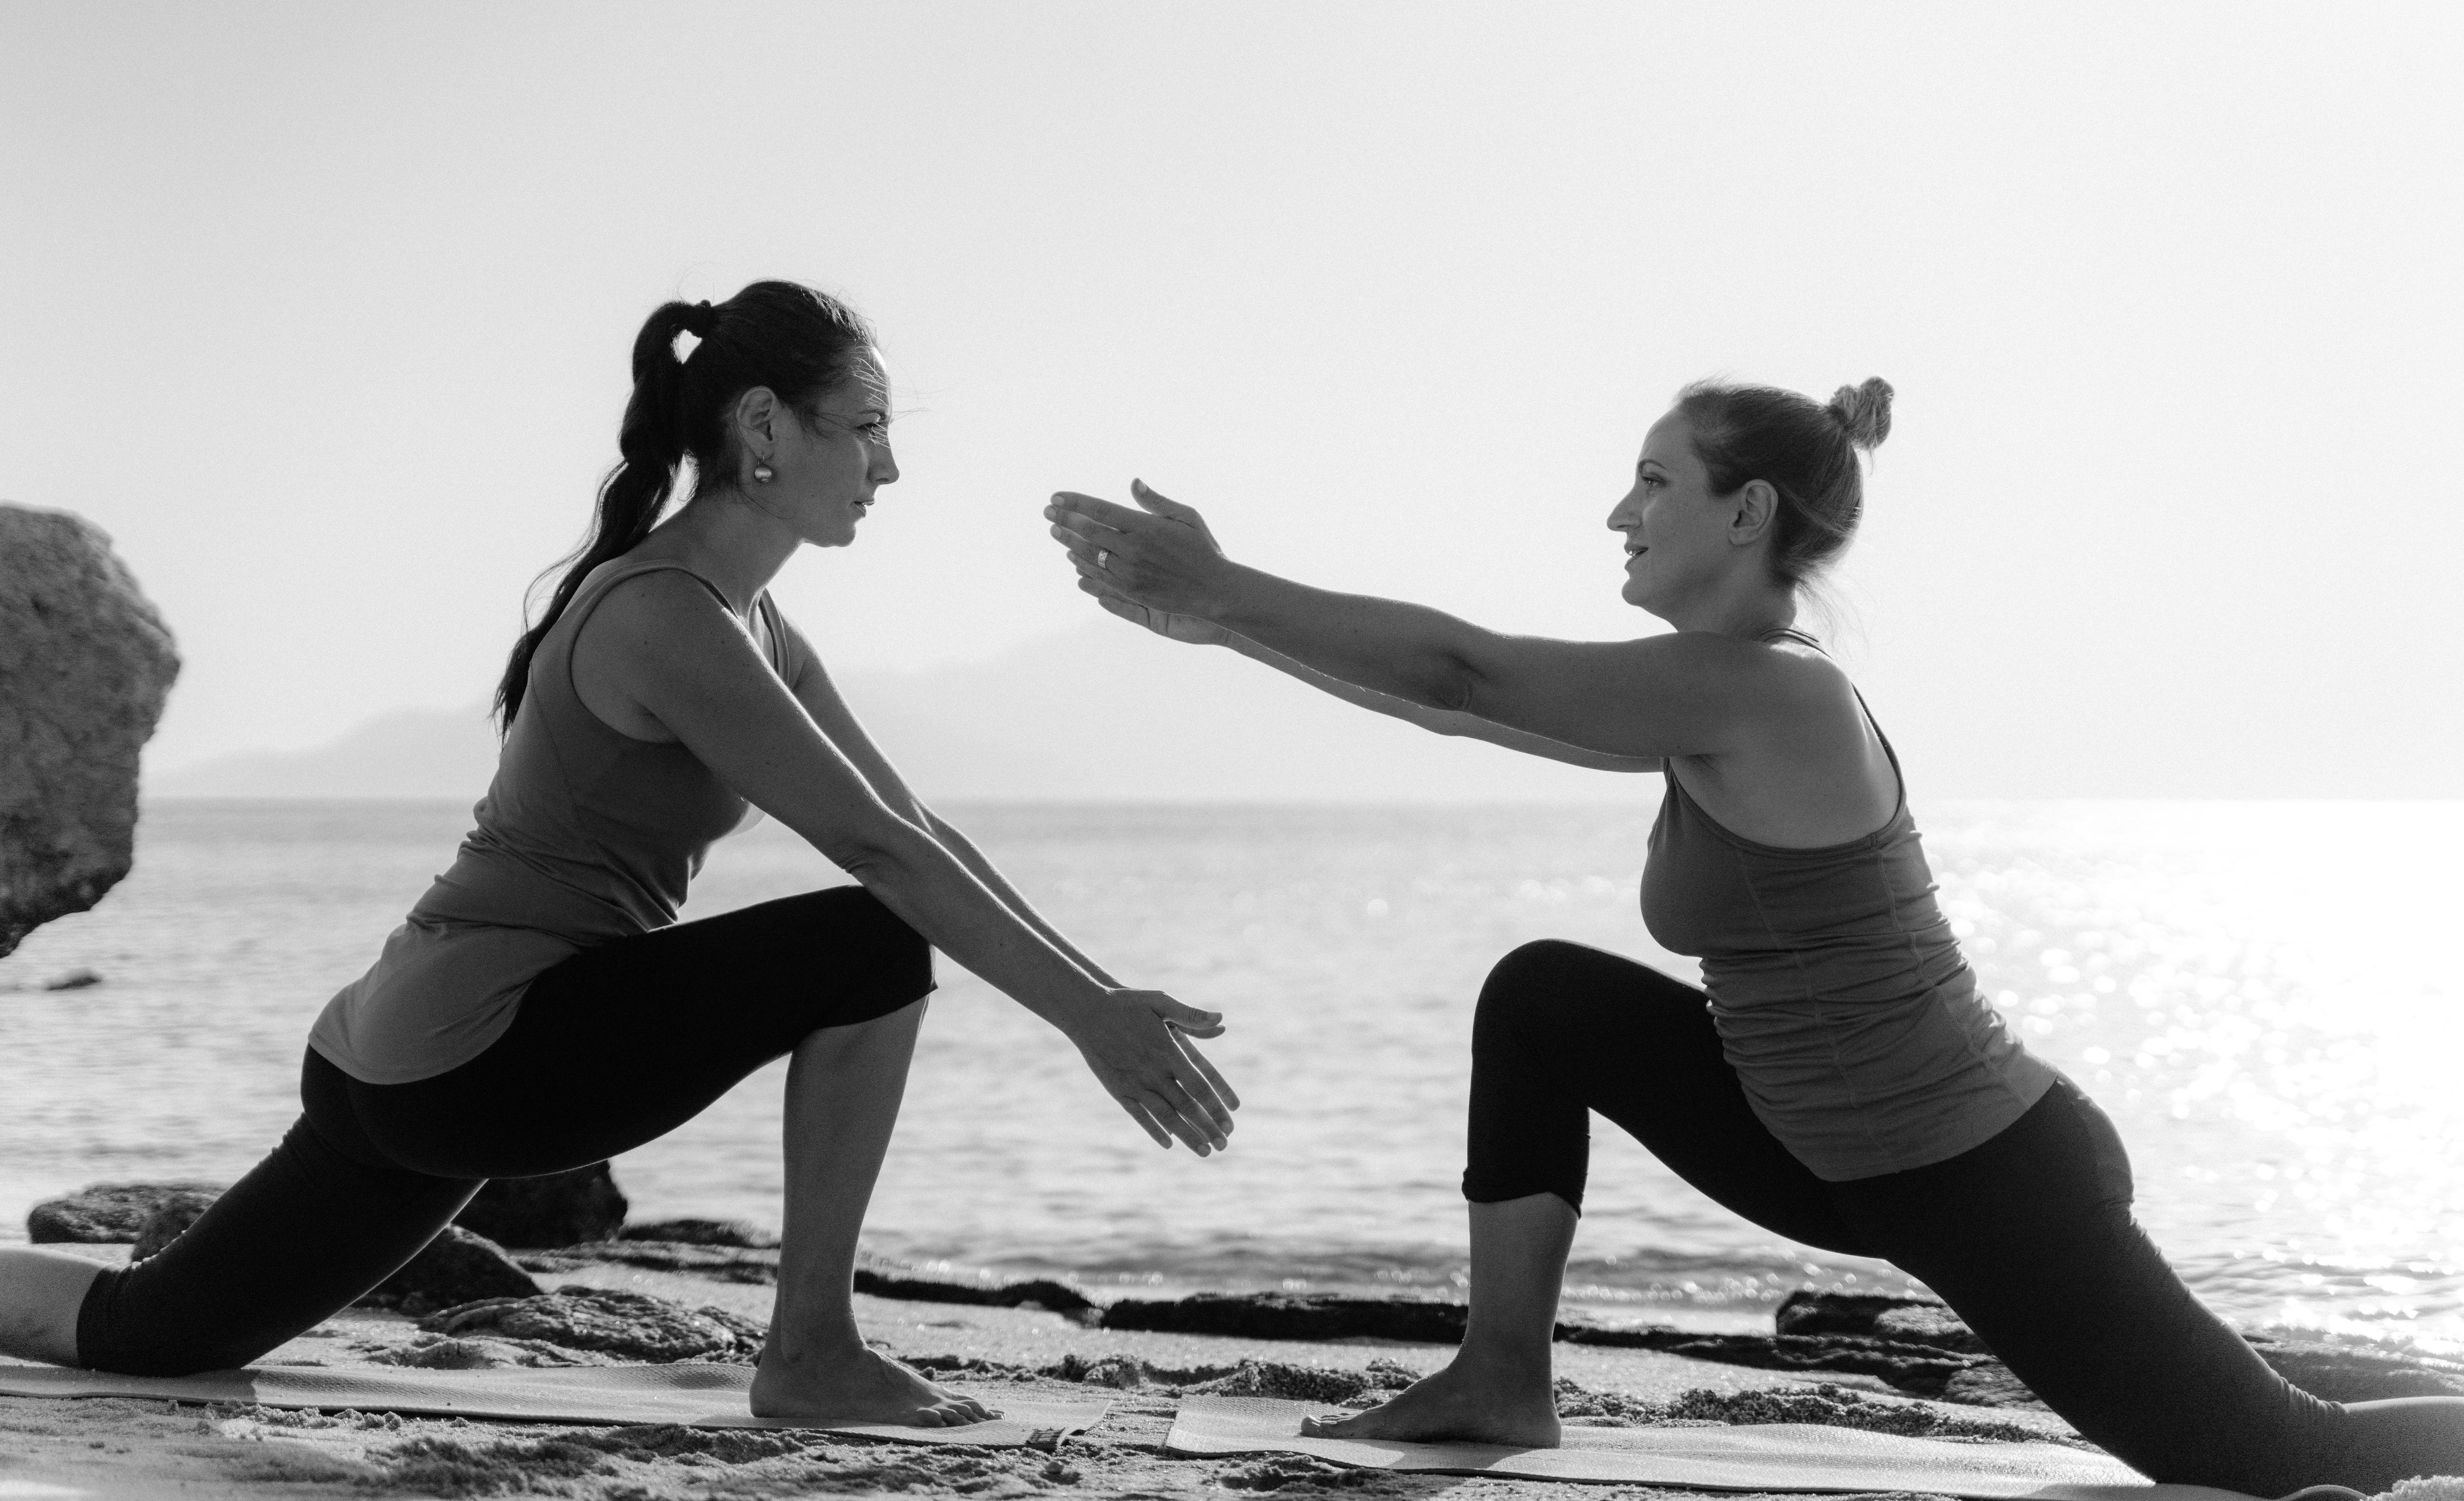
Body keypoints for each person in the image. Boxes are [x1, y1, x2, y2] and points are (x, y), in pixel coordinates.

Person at [1044, 378, 2464, 1490]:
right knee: (1544, 999)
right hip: (1821, 1148)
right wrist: (1221, 629)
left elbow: (1464, 667)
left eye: (1653, 480)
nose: (1618, 509)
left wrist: (1229, 587)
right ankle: (1499, 1376)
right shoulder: (1703, 686)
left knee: (2282, 1461)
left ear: (1746, 514)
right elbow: (1455, 703)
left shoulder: (1770, 700)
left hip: (1977, 1169)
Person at [0, 280, 1238, 1429]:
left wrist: (1107, 998)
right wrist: (1085, 1019)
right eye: (865, 426)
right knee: (870, 943)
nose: (891, 464)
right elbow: (877, 853)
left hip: (396, 1057)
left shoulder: (743, 619)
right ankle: (810, 1349)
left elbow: (916, 826)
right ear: (764, 423)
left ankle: (812, 1346)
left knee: (152, 1329)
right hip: (484, 1053)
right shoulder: (666, 615)